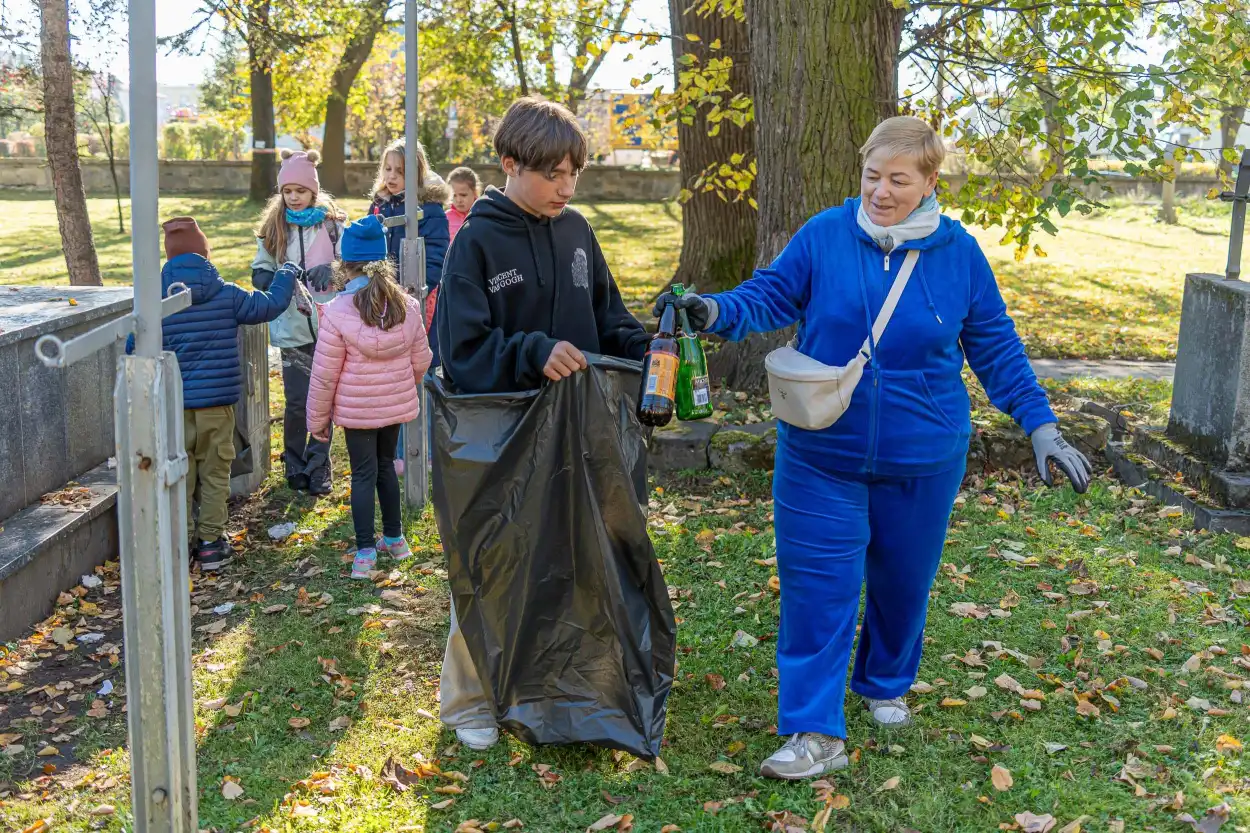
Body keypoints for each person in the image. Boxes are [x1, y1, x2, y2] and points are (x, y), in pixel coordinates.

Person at [654, 116, 1092, 780]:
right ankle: (813, 729)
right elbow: (770, 293)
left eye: (898, 179)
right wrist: (715, 311)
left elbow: (996, 346)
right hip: (821, 450)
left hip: (924, 455)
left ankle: (885, 679)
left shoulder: (959, 254)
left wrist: (1041, 426)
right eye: (871, 176)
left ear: (929, 182)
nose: (881, 191)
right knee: (817, 588)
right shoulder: (826, 234)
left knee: (903, 582)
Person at [435, 96, 652, 750]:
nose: (566, 186)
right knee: (495, 561)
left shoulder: (577, 231)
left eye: (574, 174)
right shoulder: (475, 240)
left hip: (579, 432)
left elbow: (609, 318)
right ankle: (469, 702)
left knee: (578, 557)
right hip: (503, 438)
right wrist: (532, 352)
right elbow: (461, 352)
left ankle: (566, 687)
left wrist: (653, 348)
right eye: (552, 174)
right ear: (509, 163)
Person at [130, 217, 296, 572]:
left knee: (182, 473)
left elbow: (134, 348)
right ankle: (209, 544)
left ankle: (182, 543)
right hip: (217, 407)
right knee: (216, 473)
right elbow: (268, 306)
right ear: (205, 253)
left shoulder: (153, 300)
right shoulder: (226, 294)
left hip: (172, 408)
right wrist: (286, 275)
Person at [305, 214, 432, 580]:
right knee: (384, 469)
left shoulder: (337, 313)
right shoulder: (406, 307)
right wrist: (404, 385)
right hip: (394, 408)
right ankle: (395, 539)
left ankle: (364, 552)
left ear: (344, 264)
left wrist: (317, 422)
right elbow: (422, 359)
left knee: (362, 475)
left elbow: (324, 375)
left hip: (356, 412)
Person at [251, 148, 346, 496]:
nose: (293, 197)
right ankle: (293, 461)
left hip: (329, 326)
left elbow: (350, 267)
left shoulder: (333, 225)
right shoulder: (273, 228)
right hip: (291, 326)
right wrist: (272, 280)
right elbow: (259, 269)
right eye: (287, 191)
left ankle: (319, 464)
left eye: (300, 191)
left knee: (324, 398)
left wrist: (332, 271)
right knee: (295, 399)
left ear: (313, 191)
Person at [446, 166, 480, 242]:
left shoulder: (481, 214)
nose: (458, 200)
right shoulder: (446, 218)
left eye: (463, 195)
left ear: (475, 192)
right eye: (454, 195)